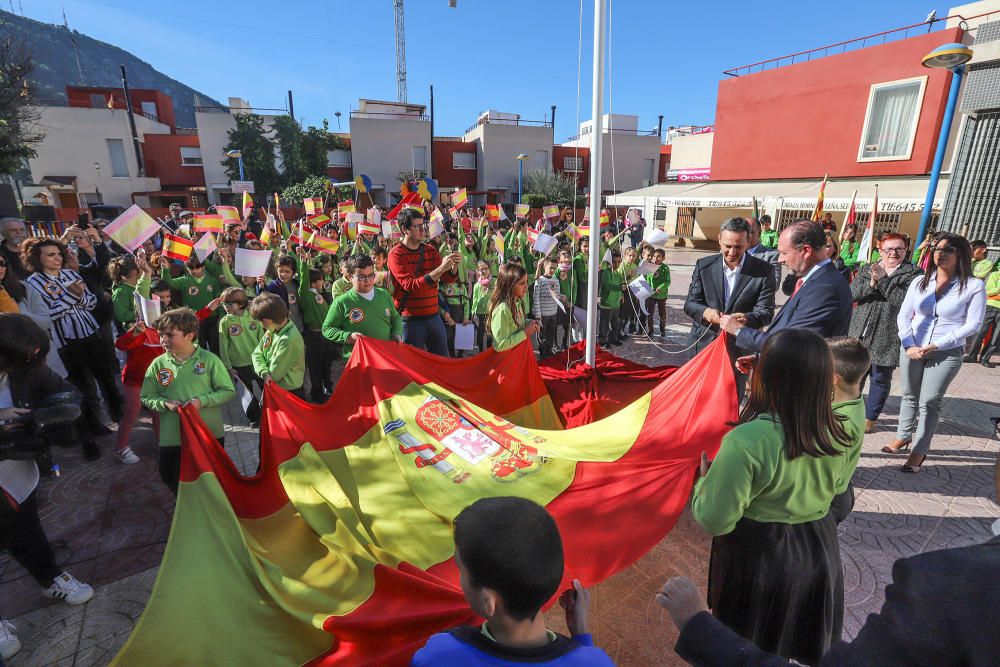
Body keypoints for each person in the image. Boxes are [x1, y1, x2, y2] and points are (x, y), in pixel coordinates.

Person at [691, 329, 853, 665]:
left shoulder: (748, 440)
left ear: (768, 378)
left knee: (748, 646)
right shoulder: (838, 429)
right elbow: (839, 488)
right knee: (796, 637)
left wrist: (704, 483)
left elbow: (714, 518)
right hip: (818, 551)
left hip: (761, 560)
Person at [411, 497, 613, 666]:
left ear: (488, 602)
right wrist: (581, 636)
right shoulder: (596, 661)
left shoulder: (439, 654)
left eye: (460, 569)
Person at [0, 315, 95, 662]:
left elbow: (66, 391)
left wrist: (47, 413)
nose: (29, 363)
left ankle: (51, 579)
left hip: (15, 474)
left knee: (27, 533)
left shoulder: (26, 368)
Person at [887, 233, 986, 473]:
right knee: (909, 395)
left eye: (947, 250)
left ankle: (919, 451)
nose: (940, 253)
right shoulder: (921, 281)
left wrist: (937, 344)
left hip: (946, 351)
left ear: (960, 254)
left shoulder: (973, 285)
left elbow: (973, 324)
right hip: (912, 347)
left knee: (929, 401)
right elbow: (903, 314)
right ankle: (902, 436)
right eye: (937, 249)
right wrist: (908, 343)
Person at [20, 237, 122, 457]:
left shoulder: (71, 274)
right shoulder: (32, 284)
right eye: (50, 255)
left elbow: (91, 303)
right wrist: (71, 297)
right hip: (66, 342)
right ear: (37, 258)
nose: (57, 258)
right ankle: (87, 437)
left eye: (58, 254)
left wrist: (72, 299)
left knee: (105, 379)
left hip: (91, 333)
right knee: (80, 389)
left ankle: (117, 420)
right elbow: (47, 315)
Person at [722, 220, 852, 365]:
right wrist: (762, 358)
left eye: (784, 253)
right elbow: (788, 328)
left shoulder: (825, 288)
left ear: (806, 251)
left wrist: (739, 330)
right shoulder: (815, 279)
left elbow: (793, 344)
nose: (780, 259)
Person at [140, 308, 235, 495]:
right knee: (170, 475)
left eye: (169, 335)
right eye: (161, 335)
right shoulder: (158, 364)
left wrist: (202, 401)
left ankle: (214, 510)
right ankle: (186, 507)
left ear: (190, 335)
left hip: (208, 432)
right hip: (172, 435)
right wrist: (164, 404)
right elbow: (146, 397)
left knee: (212, 476)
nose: (163, 340)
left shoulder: (210, 361)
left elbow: (227, 391)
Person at [684, 217, 775, 397]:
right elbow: (690, 303)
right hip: (703, 345)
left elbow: (766, 312)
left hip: (737, 351)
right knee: (696, 396)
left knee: (729, 399)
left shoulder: (764, 271)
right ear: (719, 239)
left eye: (738, 247)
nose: (732, 252)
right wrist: (706, 312)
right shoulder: (704, 266)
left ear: (748, 241)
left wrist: (747, 318)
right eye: (727, 246)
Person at [847, 233, 919, 432]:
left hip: (888, 333)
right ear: (881, 250)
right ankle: (850, 414)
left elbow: (904, 301)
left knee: (879, 378)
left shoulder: (913, 274)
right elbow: (852, 294)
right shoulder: (866, 268)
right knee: (854, 376)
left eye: (899, 249)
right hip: (859, 331)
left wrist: (883, 280)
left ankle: (870, 419)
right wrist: (871, 283)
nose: (894, 253)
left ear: (906, 251)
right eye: (889, 249)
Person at [388, 209, 461, 356]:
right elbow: (411, 285)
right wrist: (441, 268)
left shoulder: (430, 250)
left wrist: (453, 267)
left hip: (434, 318)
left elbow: (448, 279)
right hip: (410, 321)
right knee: (413, 368)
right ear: (404, 229)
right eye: (417, 226)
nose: (423, 230)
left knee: (442, 363)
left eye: (424, 225)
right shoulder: (396, 254)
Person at [321, 254, 402, 375]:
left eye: (371, 275)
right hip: (359, 363)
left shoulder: (384, 295)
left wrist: (397, 332)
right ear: (349, 277)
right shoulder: (342, 302)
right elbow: (327, 329)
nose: (368, 280)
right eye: (361, 277)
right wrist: (348, 337)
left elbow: (395, 317)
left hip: (386, 358)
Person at [827, 337, 869, 523]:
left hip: (829, 501)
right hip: (841, 490)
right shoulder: (849, 398)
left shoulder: (839, 424)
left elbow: (824, 479)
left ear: (833, 378)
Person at [217, 287, 264, 425]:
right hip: (238, 365)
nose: (226, 307)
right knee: (246, 394)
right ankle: (254, 418)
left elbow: (262, 339)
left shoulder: (253, 316)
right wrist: (228, 367)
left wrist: (265, 357)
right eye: (224, 304)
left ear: (241, 303)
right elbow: (223, 345)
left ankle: (270, 412)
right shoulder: (225, 322)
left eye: (230, 304)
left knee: (266, 388)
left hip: (257, 362)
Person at [250, 292, 306, 399]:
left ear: (267, 320)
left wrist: (265, 372)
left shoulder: (288, 340)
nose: (259, 323)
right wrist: (264, 372)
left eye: (259, 320)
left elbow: (274, 375)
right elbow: (256, 353)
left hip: (289, 392)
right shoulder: (272, 329)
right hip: (276, 387)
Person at [488, 263, 540, 352]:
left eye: (526, 282)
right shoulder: (502, 309)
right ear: (509, 285)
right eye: (522, 283)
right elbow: (500, 345)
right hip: (508, 360)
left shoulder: (517, 302)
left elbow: (514, 325)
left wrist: (530, 323)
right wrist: (525, 333)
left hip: (518, 355)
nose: (526, 287)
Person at [970, 263, 1000, 367]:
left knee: (996, 336)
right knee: (981, 331)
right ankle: (971, 356)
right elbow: (988, 291)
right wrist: (998, 289)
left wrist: (996, 293)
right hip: (990, 306)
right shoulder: (995, 275)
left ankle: (985, 358)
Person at [533, 258, 562, 358]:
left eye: (554, 268)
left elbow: (557, 295)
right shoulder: (539, 281)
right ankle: (543, 354)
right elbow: (536, 298)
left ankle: (549, 352)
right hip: (543, 315)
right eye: (550, 268)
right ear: (545, 267)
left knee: (550, 334)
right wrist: (538, 315)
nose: (553, 270)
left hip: (553, 313)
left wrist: (562, 297)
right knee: (542, 335)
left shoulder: (556, 280)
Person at [597, 250, 623, 347]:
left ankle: (613, 339)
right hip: (607, 304)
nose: (616, 264)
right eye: (614, 262)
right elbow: (607, 286)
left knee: (615, 324)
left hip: (616, 304)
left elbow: (620, 285)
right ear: (610, 262)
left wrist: (622, 295)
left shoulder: (618, 273)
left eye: (619, 262)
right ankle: (603, 341)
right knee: (604, 324)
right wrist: (620, 288)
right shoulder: (606, 272)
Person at [646, 248, 671, 337]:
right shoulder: (650, 266)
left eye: (658, 257)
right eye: (654, 256)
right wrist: (648, 288)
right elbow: (648, 279)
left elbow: (668, 281)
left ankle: (662, 329)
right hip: (651, 295)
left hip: (661, 295)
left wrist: (661, 288)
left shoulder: (665, 268)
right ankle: (650, 330)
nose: (656, 259)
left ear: (663, 258)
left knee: (662, 314)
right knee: (649, 313)